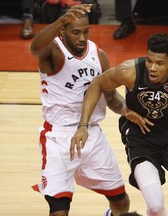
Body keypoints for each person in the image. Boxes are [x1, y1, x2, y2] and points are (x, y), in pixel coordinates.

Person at [70, 33, 168, 215]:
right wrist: (84, 125)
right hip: (140, 138)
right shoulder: (129, 71)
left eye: (159, 63)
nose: (152, 68)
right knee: (155, 207)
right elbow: (97, 84)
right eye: (149, 61)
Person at [30, 4, 135, 216]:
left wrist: (125, 110)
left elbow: (111, 96)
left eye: (86, 31)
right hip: (59, 137)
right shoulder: (53, 52)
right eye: (75, 32)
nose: (82, 38)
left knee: (121, 201)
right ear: (62, 31)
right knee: (59, 210)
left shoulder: (99, 55)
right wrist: (61, 20)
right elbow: (35, 48)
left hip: (92, 135)